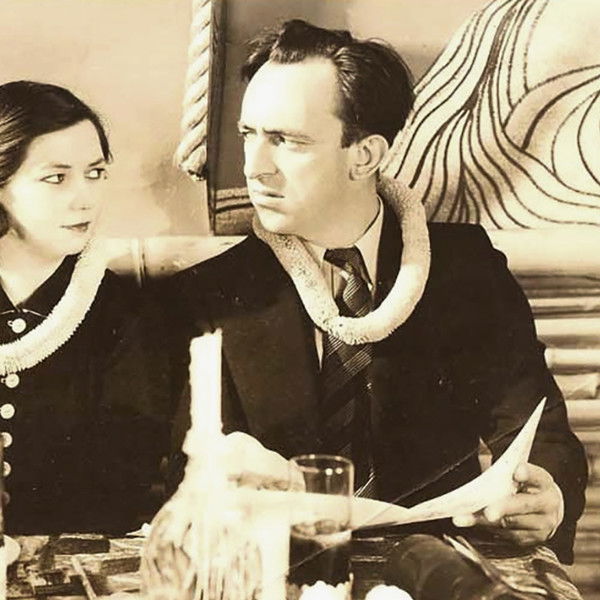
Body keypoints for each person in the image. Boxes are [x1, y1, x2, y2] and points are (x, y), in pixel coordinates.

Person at [164, 20, 587, 564]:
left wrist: (548, 497)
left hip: (439, 569)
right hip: (278, 570)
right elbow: (182, 478)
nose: (254, 167)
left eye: (287, 141)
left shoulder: (465, 270)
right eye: (249, 135)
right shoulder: (210, 294)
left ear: (364, 156)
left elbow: (538, 429)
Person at [0, 81, 169, 534]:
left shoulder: (124, 314)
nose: (86, 198)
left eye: (94, 173)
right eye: (57, 178)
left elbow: (120, 490)